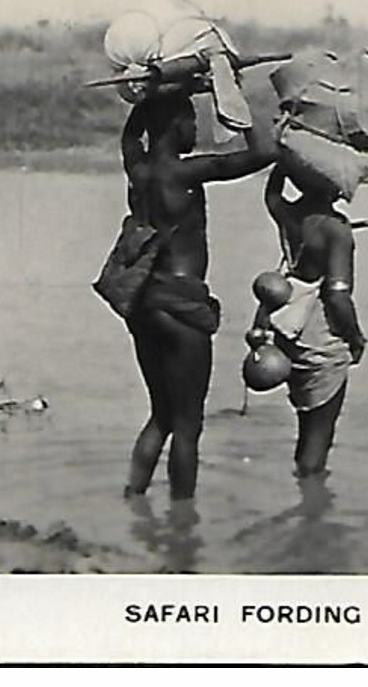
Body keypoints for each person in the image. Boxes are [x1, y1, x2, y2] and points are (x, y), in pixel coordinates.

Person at [121, 91, 275, 501]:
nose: (196, 130)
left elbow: (130, 138)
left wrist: (149, 91)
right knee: (188, 426)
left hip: (143, 302)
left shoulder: (138, 170)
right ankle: (183, 525)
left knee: (161, 415)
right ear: (175, 126)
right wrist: (233, 92)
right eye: (191, 121)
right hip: (182, 304)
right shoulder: (185, 173)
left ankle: (133, 497)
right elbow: (263, 152)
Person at [262, 166, 368, 477]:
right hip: (322, 332)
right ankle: (312, 503)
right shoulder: (336, 230)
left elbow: (270, 195)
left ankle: (305, 490)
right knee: (320, 433)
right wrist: (356, 338)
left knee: (307, 424)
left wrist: (282, 161)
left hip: (289, 327)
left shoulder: (288, 214)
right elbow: (337, 295)